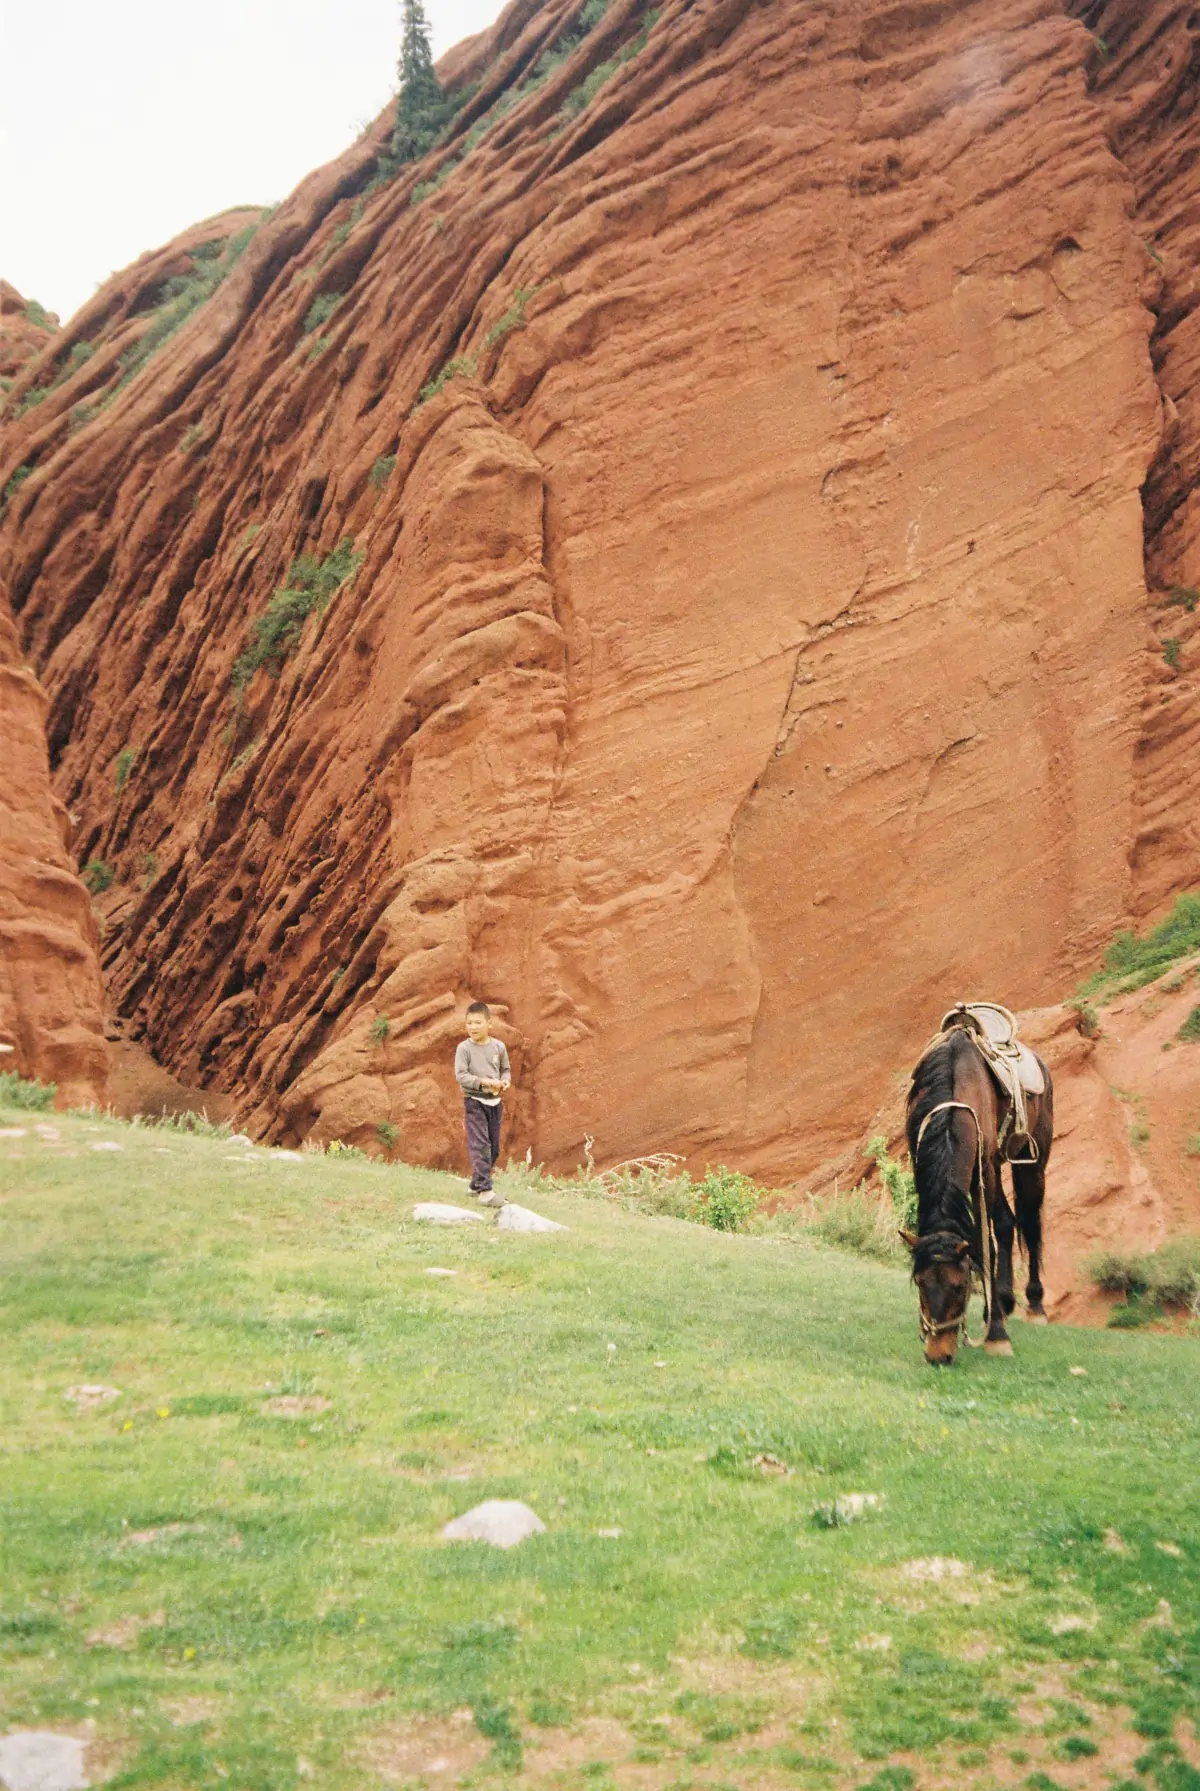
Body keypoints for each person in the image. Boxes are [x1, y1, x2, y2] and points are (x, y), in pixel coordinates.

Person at [454, 1001, 511, 1204]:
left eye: (478, 1022)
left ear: (490, 1024)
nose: (473, 1027)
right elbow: (461, 1075)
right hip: (474, 1102)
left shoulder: (498, 1047)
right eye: (469, 1023)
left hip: (495, 1103)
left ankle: (475, 1184)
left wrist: (505, 1082)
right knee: (481, 1145)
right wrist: (484, 1083)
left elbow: (505, 1069)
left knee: (494, 1148)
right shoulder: (464, 1049)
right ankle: (485, 1193)